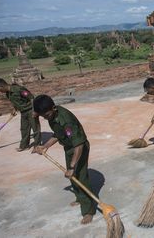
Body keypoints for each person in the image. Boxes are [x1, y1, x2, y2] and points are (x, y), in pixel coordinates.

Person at [31, 94, 96, 225]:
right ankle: (80, 197)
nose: (46, 118)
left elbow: (79, 144)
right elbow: (58, 134)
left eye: (47, 115)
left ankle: (88, 210)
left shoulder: (66, 121)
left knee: (80, 177)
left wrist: (72, 167)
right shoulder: (52, 115)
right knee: (72, 177)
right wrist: (45, 146)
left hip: (79, 149)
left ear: (54, 108)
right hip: (69, 147)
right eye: (43, 116)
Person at [0, 78, 41, 151]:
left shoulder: (18, 89)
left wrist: (34, 110)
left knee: (35, 128)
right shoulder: (8, 94)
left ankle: (37, 145)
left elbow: (31, 98)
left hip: (30, 110)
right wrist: (14, 109)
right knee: (24, 129)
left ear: (1, 86)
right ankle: (24, 146)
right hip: (23, 112)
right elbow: (16, 102)